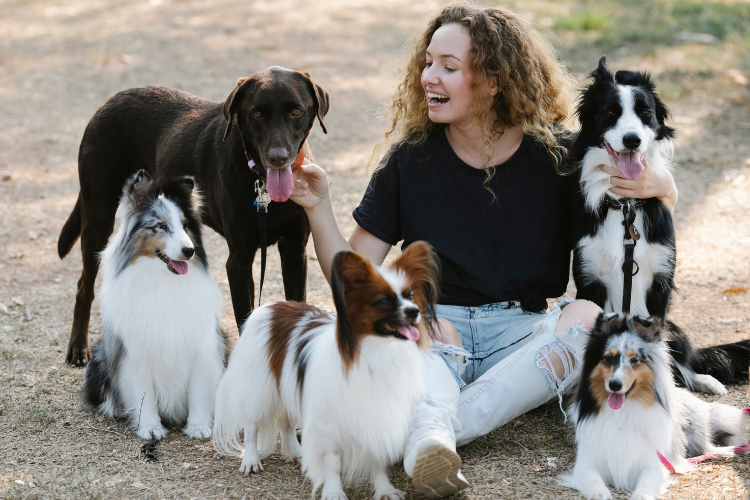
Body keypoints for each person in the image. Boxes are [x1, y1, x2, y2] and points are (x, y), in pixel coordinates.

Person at [290, 4, 679, 498]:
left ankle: (427, 433)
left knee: (585, 318)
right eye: (428, 62)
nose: (429, 76)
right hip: (435, 327)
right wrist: (318, 207)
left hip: (523, 335)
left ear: (495, 80)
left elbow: (647, 182)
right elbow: (354, 283)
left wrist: (661, 182)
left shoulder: (560, 156)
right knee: (408, 334)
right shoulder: (410, 160)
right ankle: (429, 440)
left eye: (449, 67)